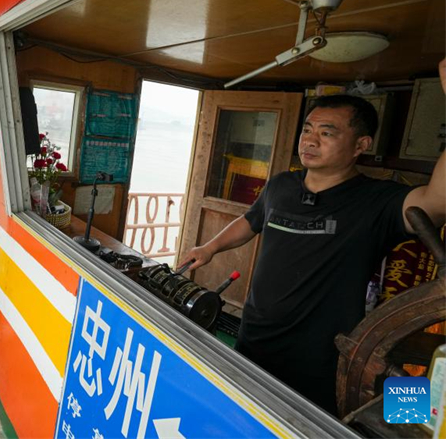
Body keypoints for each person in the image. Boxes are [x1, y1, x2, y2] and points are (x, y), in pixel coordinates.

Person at [179, 59, 446, 414]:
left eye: (327, 132)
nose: (310, 139)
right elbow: (251, 220)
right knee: (243, 414)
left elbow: (437, 202)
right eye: (308, 129)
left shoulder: (377, 200)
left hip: (320, 354)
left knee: (303, 423)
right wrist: (210, 247)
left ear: (360, 144)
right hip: (255, 335)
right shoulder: (281, 185)